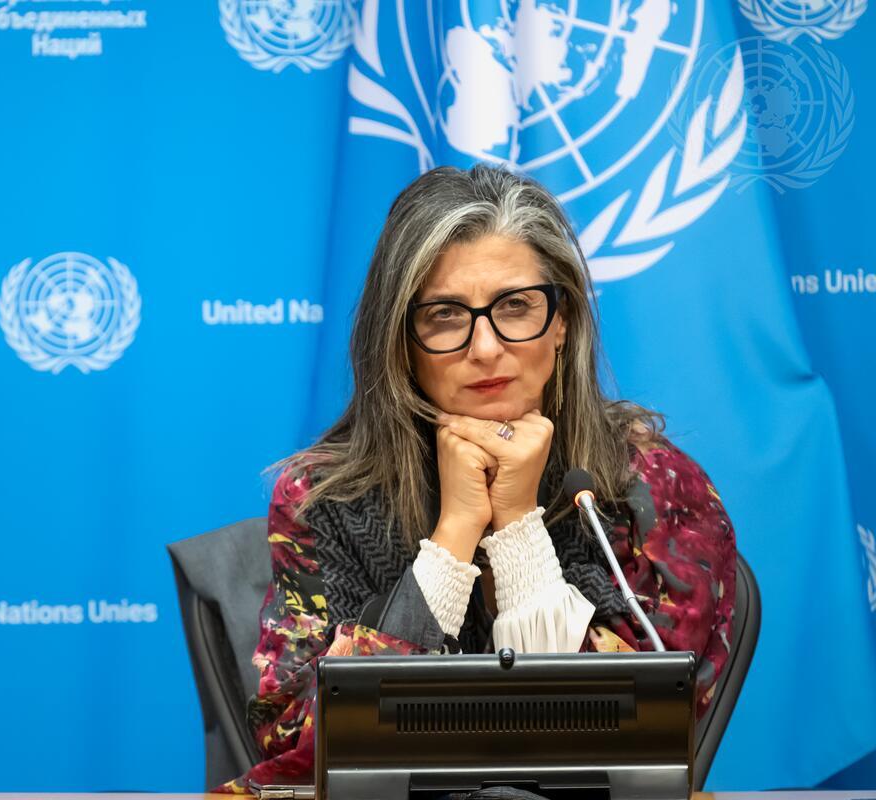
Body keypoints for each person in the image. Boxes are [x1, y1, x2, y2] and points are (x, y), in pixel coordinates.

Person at [214, 165, 737, 793]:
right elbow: (300, 749)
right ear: (399, 340)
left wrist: (518, 527)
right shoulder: (323, 500)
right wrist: (453, 540)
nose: (486, 347)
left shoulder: (646, 483)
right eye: (444, 315)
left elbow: (652, 737)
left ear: (562, 321)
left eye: (516, 306)